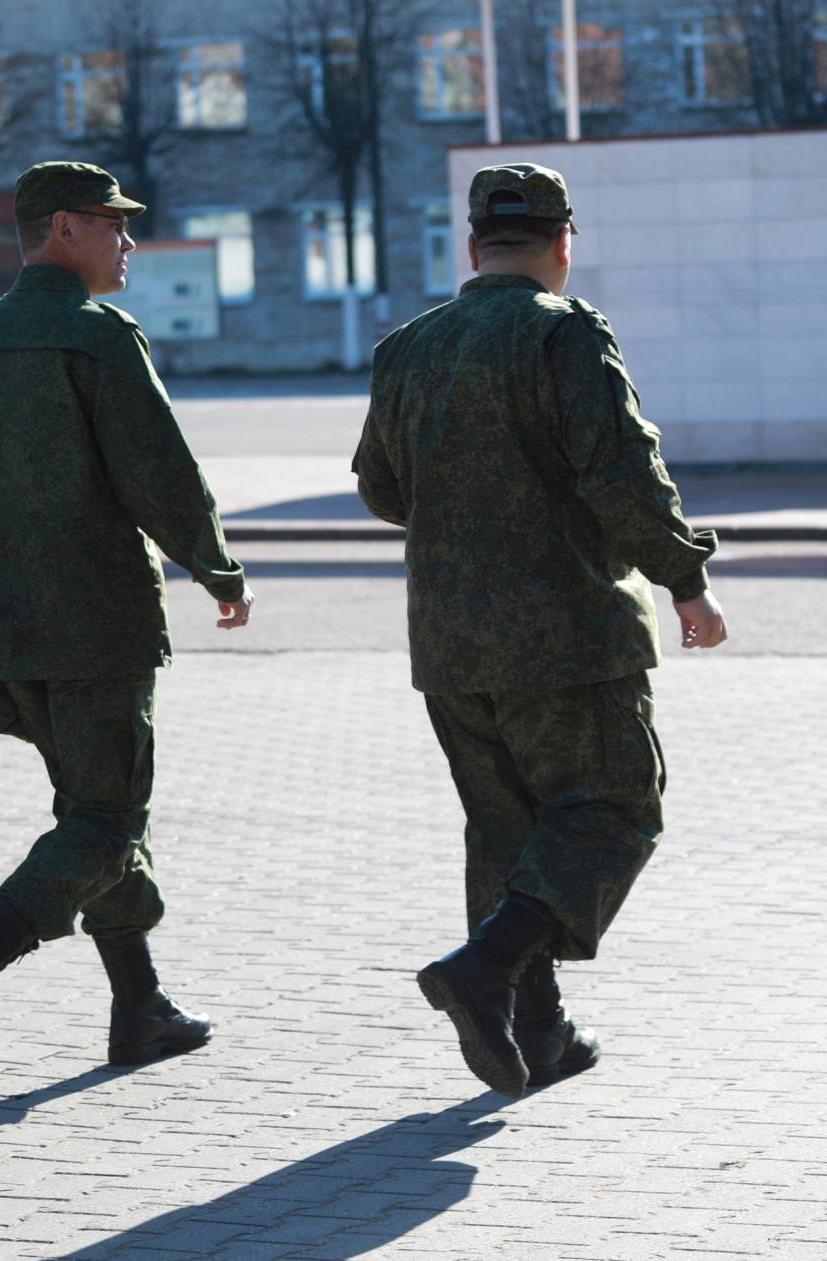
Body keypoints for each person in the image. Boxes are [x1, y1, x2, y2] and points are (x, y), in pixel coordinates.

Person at [354, 163, 728, 1098]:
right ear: (563, 246)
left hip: (448, 640)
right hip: (566, 634)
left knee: (505, 827)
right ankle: (484, 972)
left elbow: (378, 484)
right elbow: (623, 477)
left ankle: (538, 1030)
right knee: (614, 808)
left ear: (472, 247)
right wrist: (685, 579)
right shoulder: (564, 334)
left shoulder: (409, 347)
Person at [0, 161, 255, 1095]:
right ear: (63, 229)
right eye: (112, 224)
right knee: (105, 816)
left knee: (91, 806)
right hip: (97, 623)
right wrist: (216, 566)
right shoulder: (98, 338)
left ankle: (140, 1006)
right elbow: (158, 469)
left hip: (2, 631)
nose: (128, 241)